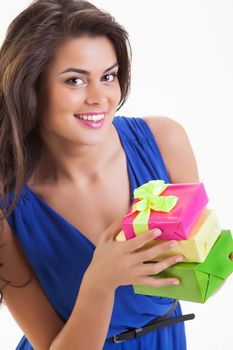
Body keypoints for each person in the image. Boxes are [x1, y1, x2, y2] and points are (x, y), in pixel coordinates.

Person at [0, 0, 232, 349]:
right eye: (75, 80)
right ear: (30, 87)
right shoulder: (8, 205)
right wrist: (100, 282)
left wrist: (212, 263)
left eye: (108, 76)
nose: (101, 98)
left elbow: (198, 270)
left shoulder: (166, 143)